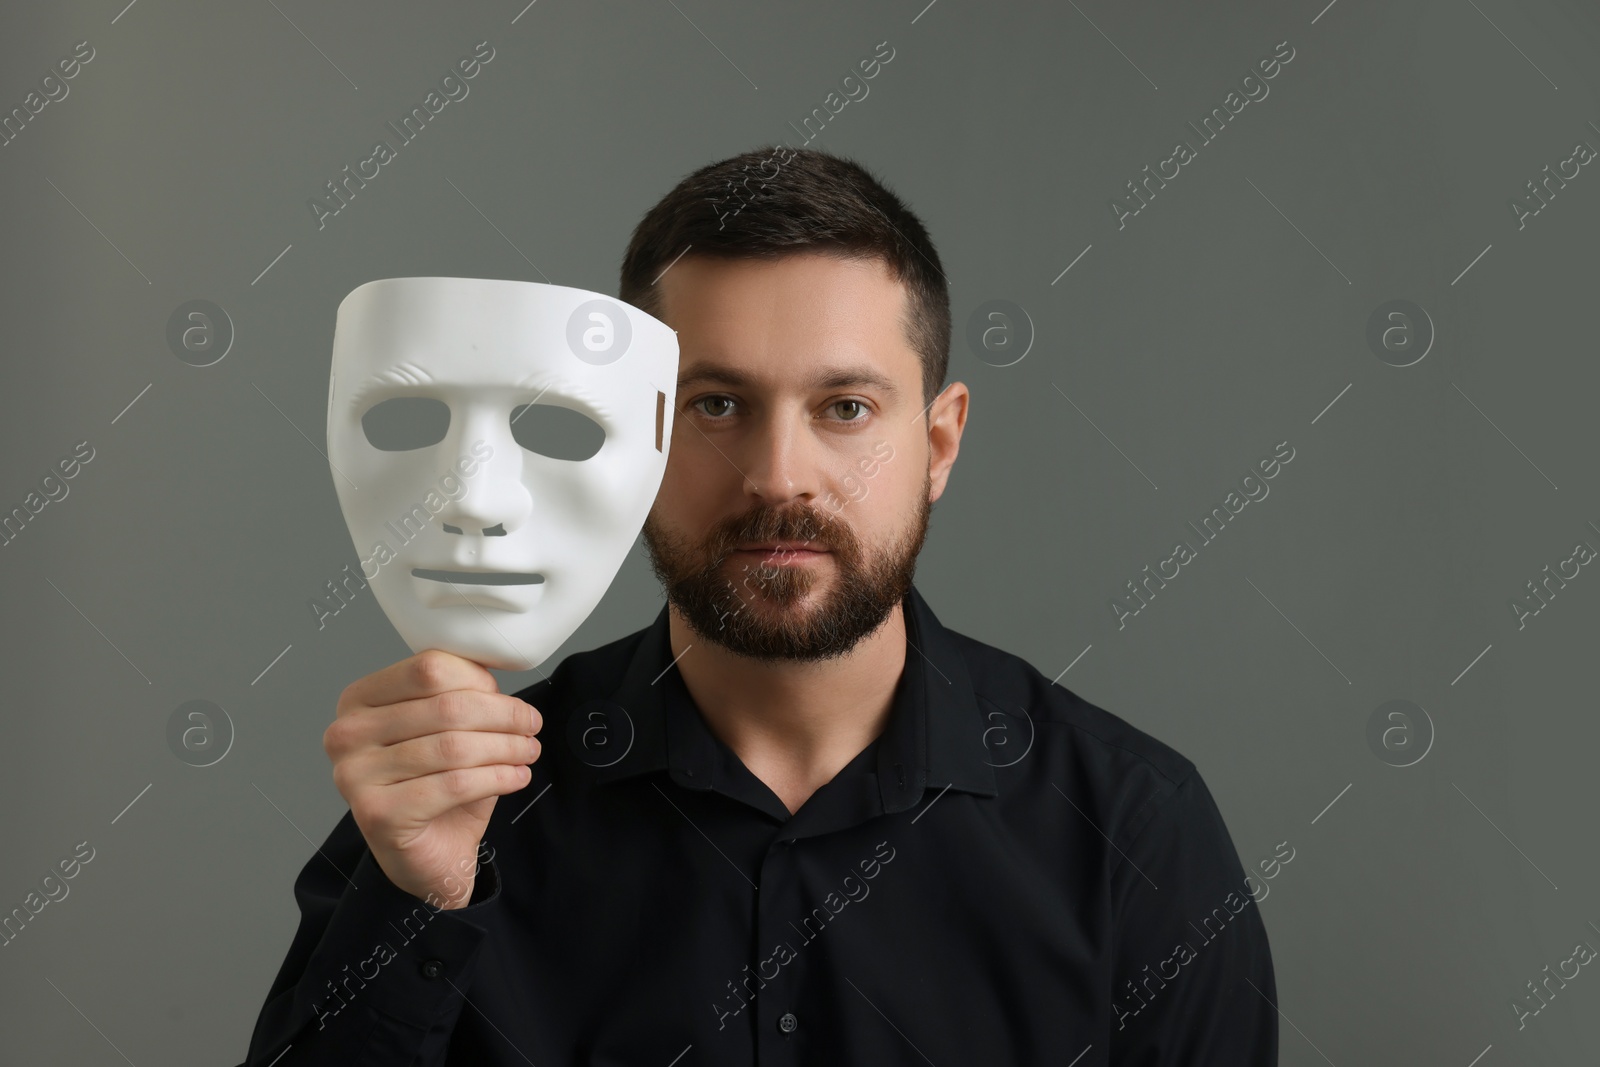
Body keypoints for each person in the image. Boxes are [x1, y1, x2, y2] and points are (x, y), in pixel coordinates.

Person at [241, 146, 1278, 1065]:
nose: (780, 475)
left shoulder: (1133, 830)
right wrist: (414, 900)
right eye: (716, 404)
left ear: (940, 443)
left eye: (846, 408)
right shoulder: (459, 804)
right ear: (641, 432)